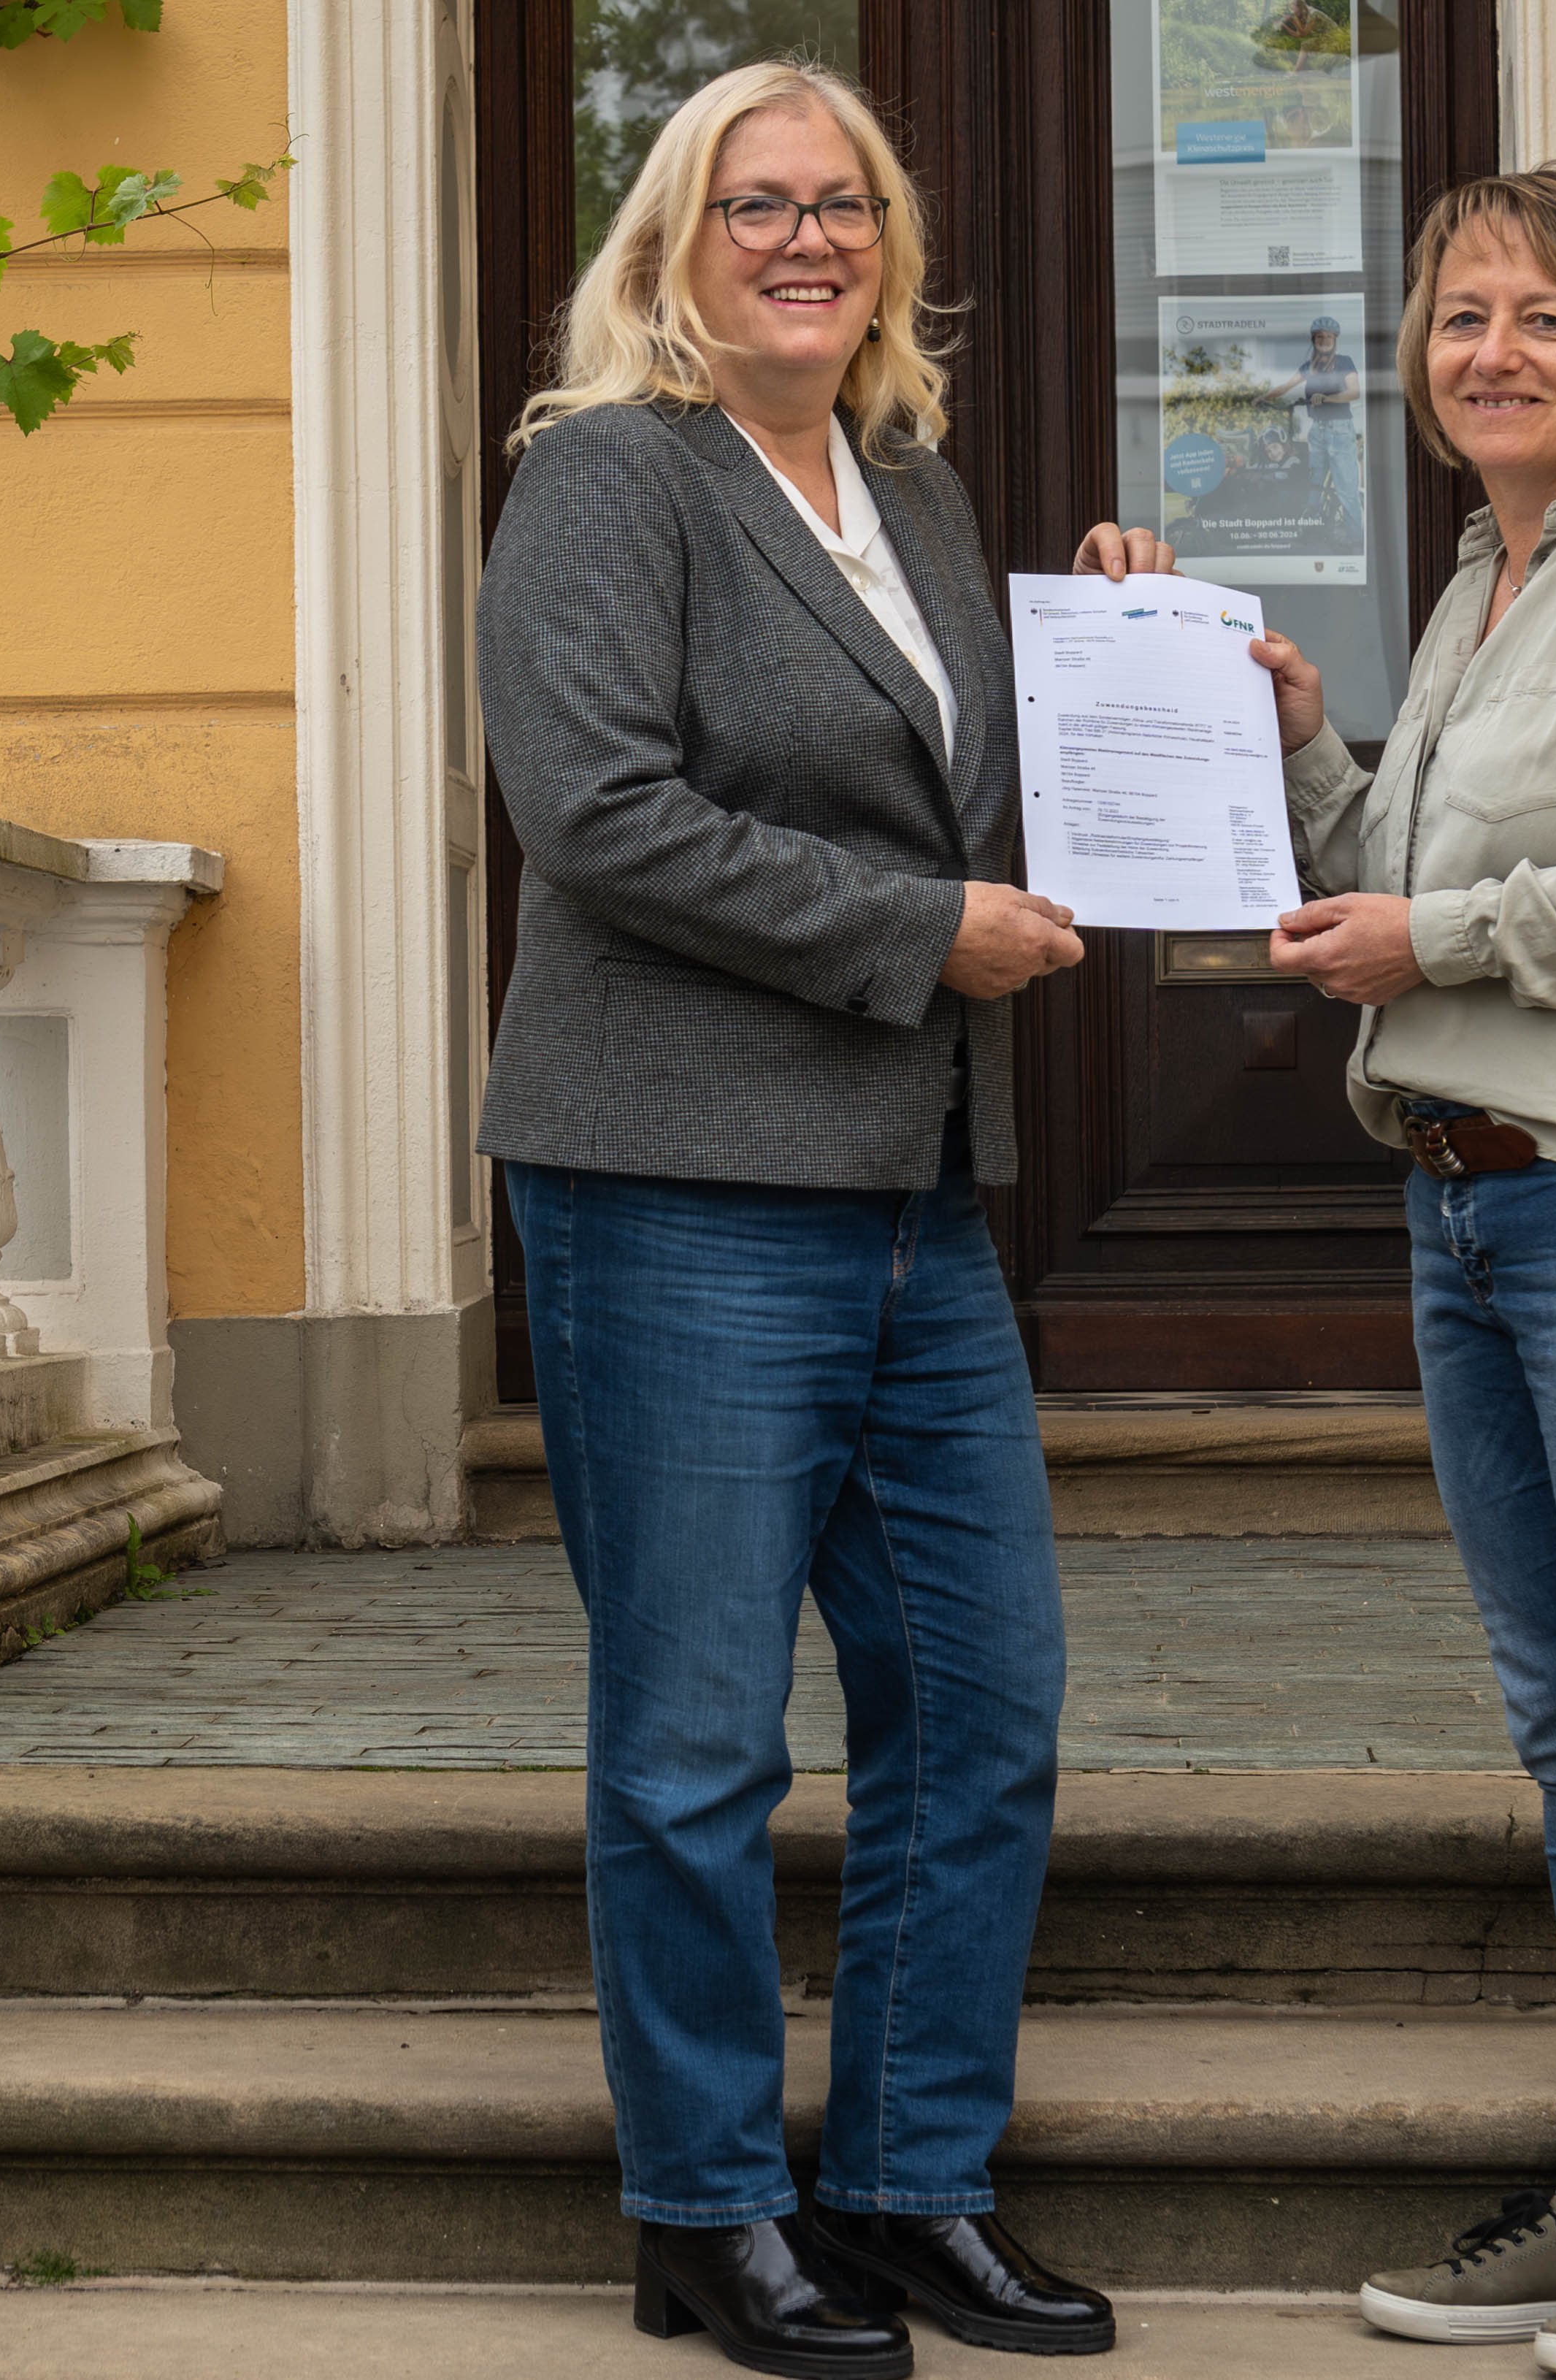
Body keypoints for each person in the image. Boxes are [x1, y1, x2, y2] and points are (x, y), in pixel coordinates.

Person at [1079, 159, 1556, 2377]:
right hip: (1474, 1200)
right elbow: (1370, 877)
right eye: (1455, 318)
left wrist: (1442, 935)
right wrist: (1281, 718)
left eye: (1539, 316)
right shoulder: (1480, 583)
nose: (1487, 350)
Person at [479, 58, 1115, 2379]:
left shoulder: (914, 496)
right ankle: (705, 2209)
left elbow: (966, 796)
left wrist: (1120, 641)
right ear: (669, 246)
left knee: (981, 1700)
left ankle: (908, 2188)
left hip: (909, 1186)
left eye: (837, 205)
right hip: (672, 1181)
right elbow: (599, 816)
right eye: (751, 205)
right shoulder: (604, 481)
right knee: (692, 1738)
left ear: (886, 248)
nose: (802, 238)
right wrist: (909, 935)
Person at [1271, 315, 1362, 534]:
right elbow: (1286, 386)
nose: (1324, 340)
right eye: (1320, 337)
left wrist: (1328, 398)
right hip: (1317, 429)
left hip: (1339, 429)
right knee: (1314, 481)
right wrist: (1262, 398)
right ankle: (1312, 528)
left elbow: (1354, 392)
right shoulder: (1308, 368)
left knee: (1346, 488)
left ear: (1335, 340)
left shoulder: (1344, 362)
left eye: (1329, 337)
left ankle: (1355, 536)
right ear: (1314, 340)